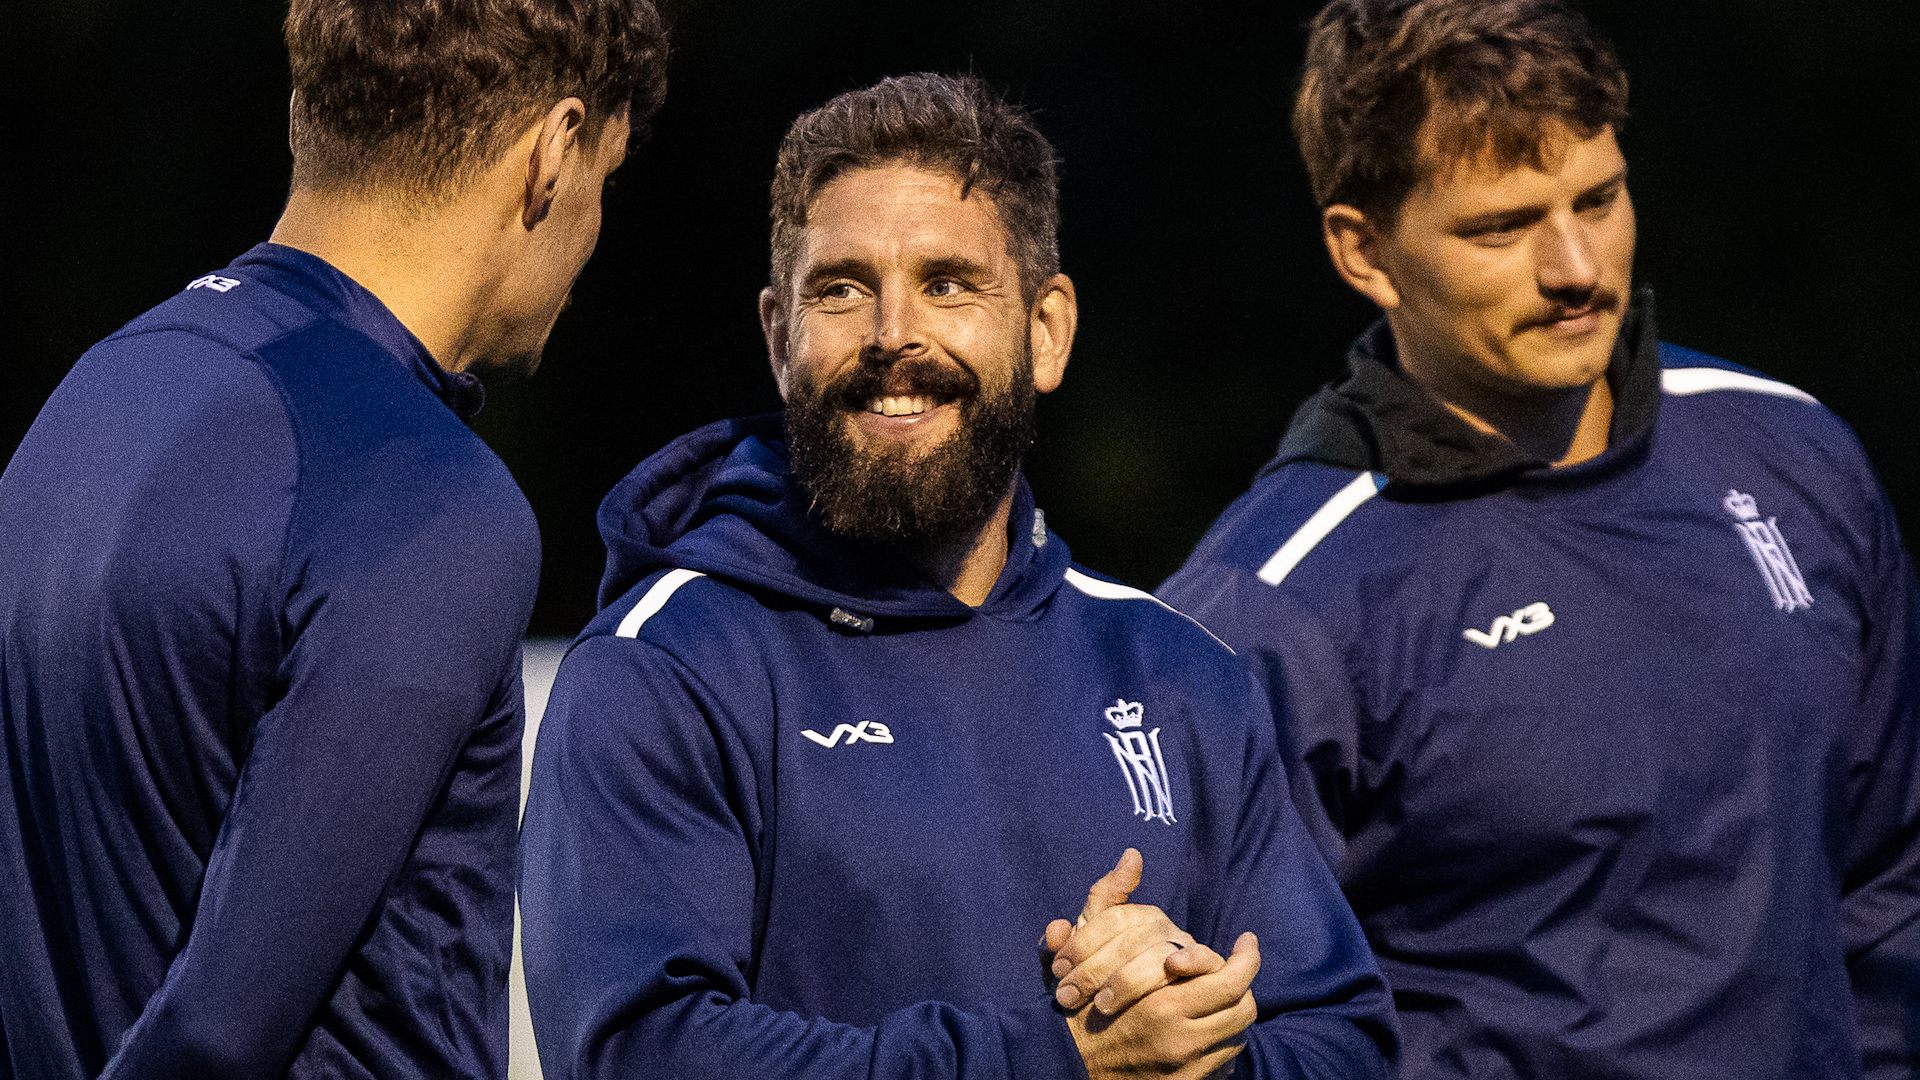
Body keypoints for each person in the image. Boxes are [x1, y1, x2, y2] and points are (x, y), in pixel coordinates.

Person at [517, 73, 1396, 1080]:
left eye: (948, 283)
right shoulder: (664, 669)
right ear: (778, 338)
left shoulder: (1177, 671)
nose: (893, 334)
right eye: (841, 289)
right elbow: (643, 1052)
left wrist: (1190, 1035)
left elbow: (1342, 1042)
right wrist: (1060, 1062)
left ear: (1046, 330)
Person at [1158, 1, 1920, 1077]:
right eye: (1503, 227)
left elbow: (1890, 888)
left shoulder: (1791, 453)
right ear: (1364, 250)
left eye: (1598, 200)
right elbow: (1221, 1027)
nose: (1576, 267)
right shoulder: (1269, 606)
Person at [0, 2, 667, 1077]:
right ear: (554, 151)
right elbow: (217, 1034)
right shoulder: (426, 497)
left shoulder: (85, 402)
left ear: (307, 111)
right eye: (610, 177)